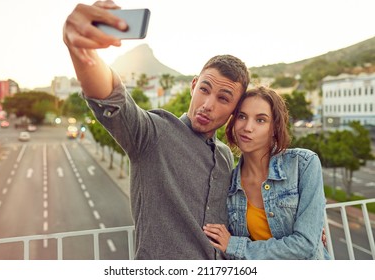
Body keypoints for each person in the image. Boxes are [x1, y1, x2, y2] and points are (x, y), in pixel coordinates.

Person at [63, 1, 250, 259]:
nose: (207, 105)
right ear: (193, 86)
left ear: (234, 109)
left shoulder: (225, 157)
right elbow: (113, 100)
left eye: (223, 98)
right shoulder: (153, 133)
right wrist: (80, 49)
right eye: (205, 89)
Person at [203, 85, 331, 259]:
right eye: (242, 116)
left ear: (274, 128)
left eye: (260, 120)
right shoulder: (229, 184)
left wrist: (235, 245)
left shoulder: (303, 164)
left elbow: (306, 244)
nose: (247, 127)